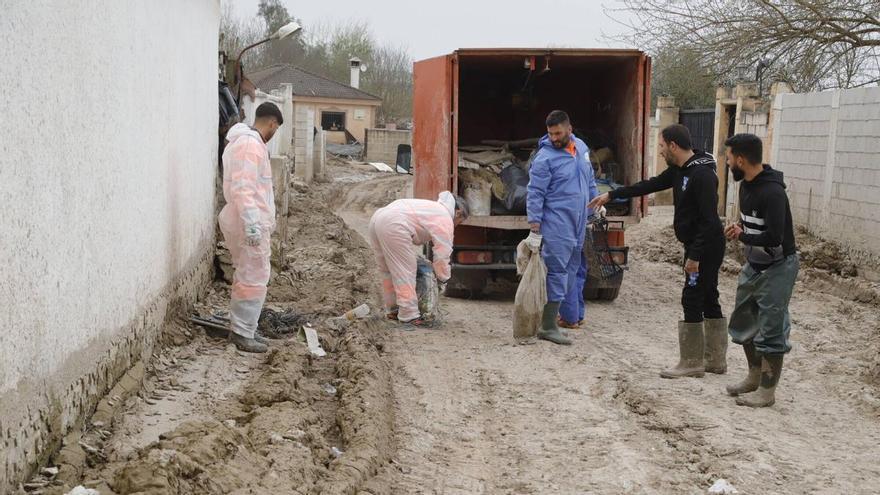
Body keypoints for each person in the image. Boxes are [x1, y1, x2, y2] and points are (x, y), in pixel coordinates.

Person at [589, 124, 727, 377]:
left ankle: (692, 362)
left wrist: (694, 256)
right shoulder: (680, 170)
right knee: (708, 297)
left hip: (706, 246)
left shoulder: (702, 176)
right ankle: (715, 360)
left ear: (673, 145)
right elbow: (649, 186)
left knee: (692, 297)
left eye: (662, 146)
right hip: (700, 244)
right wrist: (612, 195)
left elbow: (709, 220)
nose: (660, 152)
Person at [723, 133, 798, 408]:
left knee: (771, 328)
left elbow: (775, 237)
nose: (727, 162)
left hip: (778, 267)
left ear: (740, 159)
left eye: (729, 157)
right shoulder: (746, 185)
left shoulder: (773, 192)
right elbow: (751, 226)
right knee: (743, 322)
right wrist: (739, 229)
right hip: (754, 264)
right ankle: (754, 377)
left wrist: (743, 236)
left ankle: (767, 390)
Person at [526, 110, 599, 345]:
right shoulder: (544, 159)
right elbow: (535, 193)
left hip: (578, 222)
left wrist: (595, 206)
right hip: (557, 224)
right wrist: (535, 227)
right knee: (557, 272)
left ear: (570, 129)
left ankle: (561, 318)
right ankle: (547, 326)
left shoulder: (581, 149)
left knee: (572, 269)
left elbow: (589, 181)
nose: (554, 138)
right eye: (550, 134)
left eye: (558, 133)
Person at [219, 102, 284, 353]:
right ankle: (243, 332)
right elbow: (244, 189)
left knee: (249, 274)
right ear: (272, 123)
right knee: (253, 276)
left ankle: (245, 328)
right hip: (248, 223)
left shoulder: (243, 143)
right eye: (275, 128)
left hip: (245, 220)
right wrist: (253, 225)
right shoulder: (250, 146)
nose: (274, 133)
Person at [368, 191, 469, 327]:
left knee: (387, 270)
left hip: (378, 218)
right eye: (459, 222)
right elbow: (443, 254)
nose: (456, 225)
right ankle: (408, 315)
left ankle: (393, 308)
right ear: (458, 212)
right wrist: (442, 278)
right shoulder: (445, 216)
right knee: (405, 272)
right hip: (394, 223)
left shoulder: (433, 208)